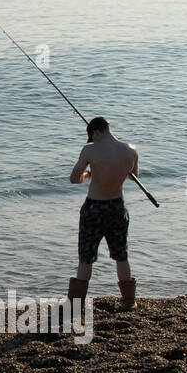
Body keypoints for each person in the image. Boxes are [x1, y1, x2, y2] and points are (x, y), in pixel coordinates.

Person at [68, 116, 137, 309]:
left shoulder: (90, 150)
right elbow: (134, 176)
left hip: (94, 208)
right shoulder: (131, 150)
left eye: (92, 136)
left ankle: (76, 305)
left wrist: (88, 174)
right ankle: (128, 301)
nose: (92, 140)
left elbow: (74, 178)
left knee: (86, 256)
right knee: (121, 255)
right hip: (117, 207)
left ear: (97, 132)